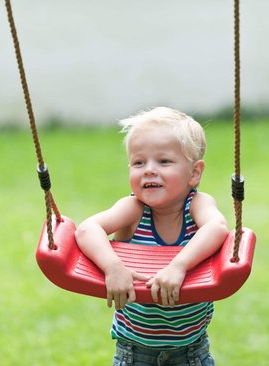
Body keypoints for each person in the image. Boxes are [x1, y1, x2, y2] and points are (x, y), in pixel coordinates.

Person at [75, 106, 229, 365]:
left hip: (191, 351)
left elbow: (218, 228)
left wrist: (178, 265)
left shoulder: (197, 206)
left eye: (164, 161)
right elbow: (87, 229)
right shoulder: (133, 209)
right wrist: (113, 267)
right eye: (138, 162)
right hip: (134, 351)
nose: (149, 170)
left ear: (194, 173)